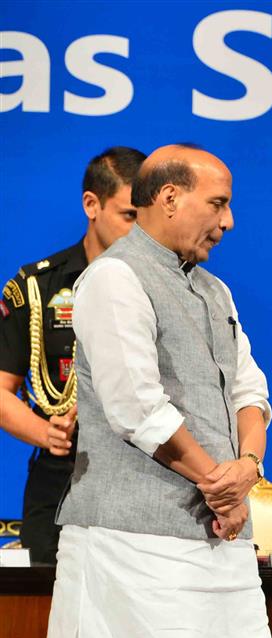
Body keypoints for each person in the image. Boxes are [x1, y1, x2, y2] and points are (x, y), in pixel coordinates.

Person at [44, 143, 272, 638]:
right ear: (169, 198)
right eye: (219, 203)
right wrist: (216, 479)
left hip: (216, 543)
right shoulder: (112, 279)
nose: (230, 221)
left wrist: (246, 465)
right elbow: (133, 403)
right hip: (131, 545)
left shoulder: (213, 289)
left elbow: (250, 382)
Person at [0, 146, 145, 563]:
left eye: (146, 217)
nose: (139, 232)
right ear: (91, 205)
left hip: (146, 474)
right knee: (49, 606)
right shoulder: (36, 286)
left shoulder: (172, 287)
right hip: (62, 472)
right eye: (129, 216)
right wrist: (46, 433)